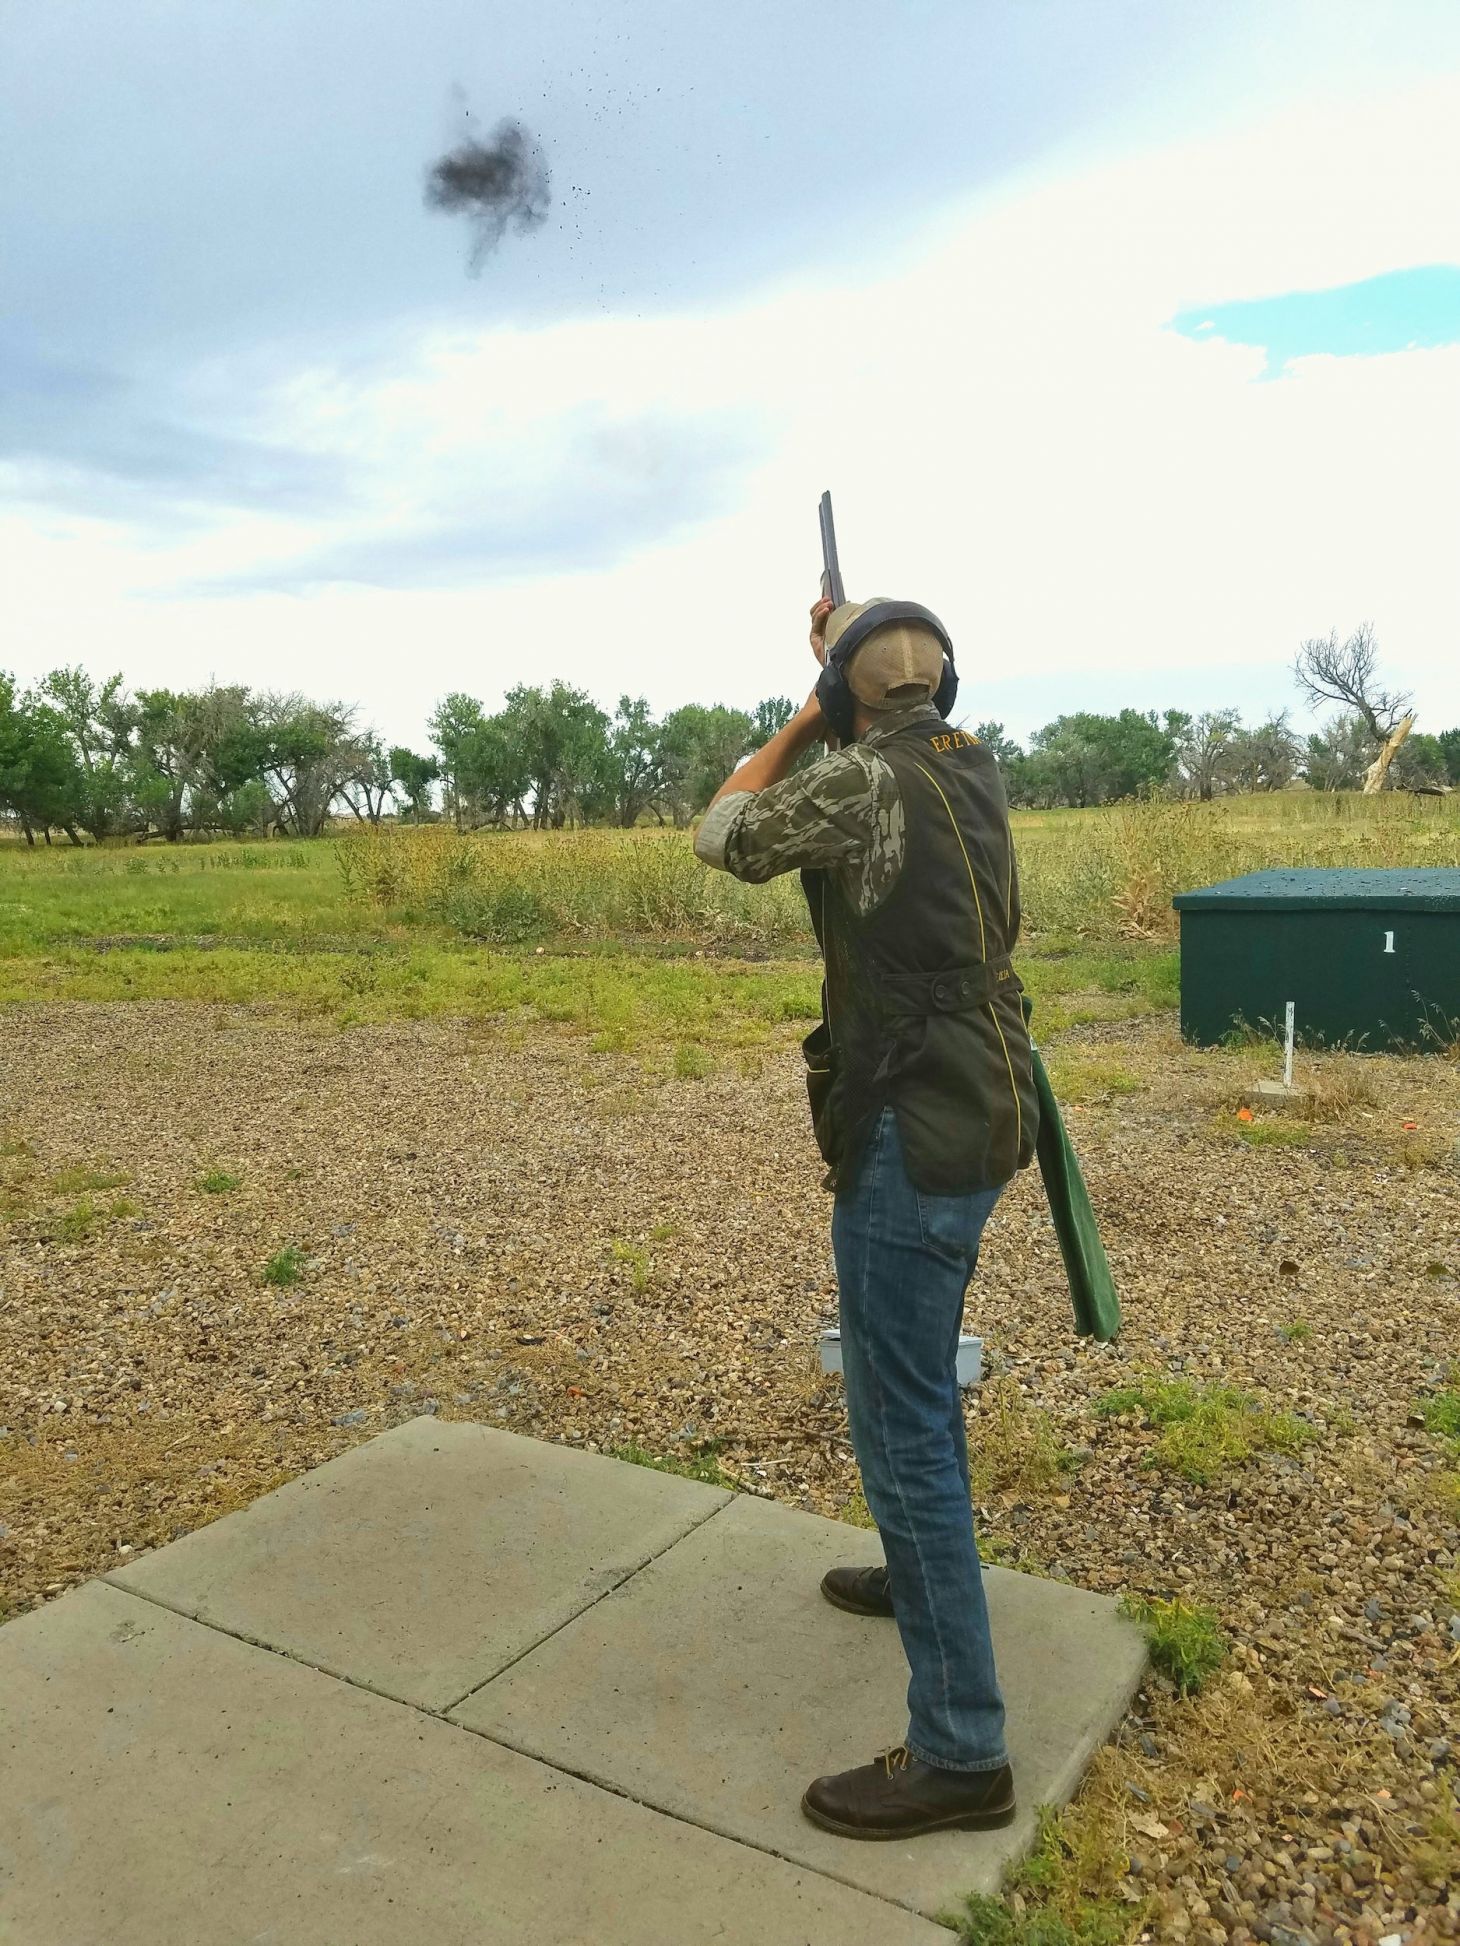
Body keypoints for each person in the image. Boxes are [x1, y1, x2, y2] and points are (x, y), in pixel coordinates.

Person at [693, 593, 1039, 1840]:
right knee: (915, 1383)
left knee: (900, 1416)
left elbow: (721, 831)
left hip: (911, 1116)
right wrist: (843, 659)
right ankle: (911, 1575)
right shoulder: (969, 762)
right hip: (984, 1097)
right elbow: (887, 696)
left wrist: (800, 714)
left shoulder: (859, 778)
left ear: (848, 698)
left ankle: (959, 1749)